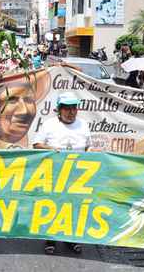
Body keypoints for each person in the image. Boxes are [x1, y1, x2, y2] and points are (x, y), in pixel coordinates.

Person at [33, 92, 96, 255]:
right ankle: (50, 239)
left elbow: (88, 146)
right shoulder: (49, 125)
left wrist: (92, 151)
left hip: (78, 177)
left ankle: (71, 239)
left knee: (74, 208)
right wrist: (52, 149)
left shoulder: (83, 125)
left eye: (74, 108)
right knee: (54, 206)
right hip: (54, 175)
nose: (71, 111)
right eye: (67, 108)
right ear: (59, 110)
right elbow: (36, 145)